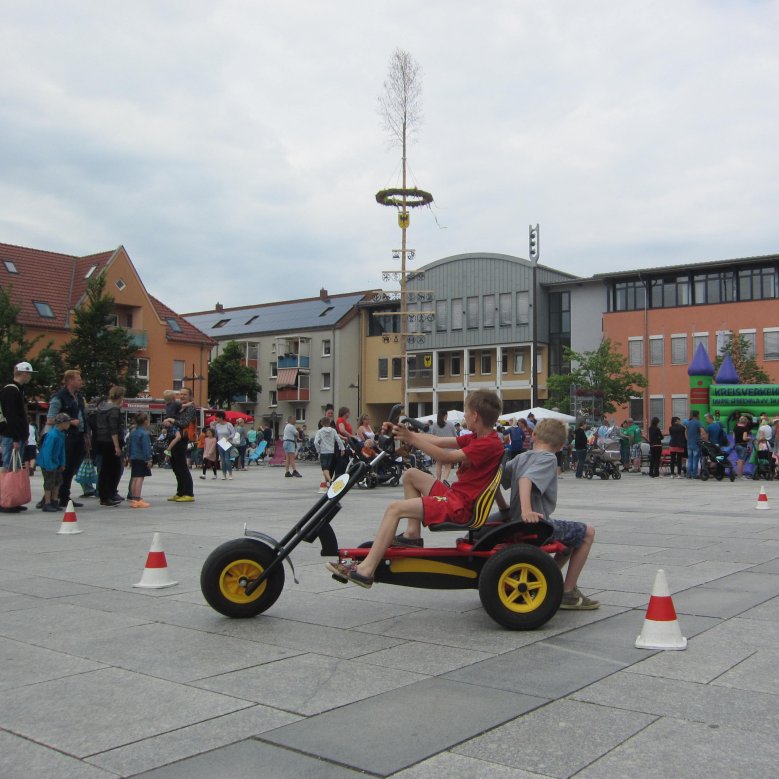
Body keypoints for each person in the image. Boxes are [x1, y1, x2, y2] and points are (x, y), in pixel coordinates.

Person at [326, 390, 504, 588]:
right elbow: (436, 441)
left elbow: (445, 457)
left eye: (465, 412)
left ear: (475, 416)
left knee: (395, 509)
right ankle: (412, 534)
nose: (464, 416)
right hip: (455, 497)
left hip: (459, 506)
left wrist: (411, 437)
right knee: (410, 475)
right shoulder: (478, 437)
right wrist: (402, 432)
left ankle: (366, 571)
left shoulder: (488, 444)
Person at [497, 418, 599, 609]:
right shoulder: (548, 458)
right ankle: (568, 592)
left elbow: (497, 479)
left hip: (515, 523)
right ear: (561, 446)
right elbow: (526, 479)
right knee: (587, 533)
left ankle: (543, 576)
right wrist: (527, 511)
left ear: (533, 436)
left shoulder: (520, 458)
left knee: (569, 540)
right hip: (536, 525)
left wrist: (503, 507)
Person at [46, 369, 91, 508]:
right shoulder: (59, 397)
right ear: (70, 381)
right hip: (65, 437)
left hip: (78, 436)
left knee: (72, 468)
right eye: (78, 379)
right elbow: (50, 419)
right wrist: (70, 421)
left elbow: (83, 416)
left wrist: (86, 435)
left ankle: (65, 496)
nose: (81, 381)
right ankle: (52, 497)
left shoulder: (78, 397)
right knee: (63, 467)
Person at [0, 362, 35, 475]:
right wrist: (16, 438)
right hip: (11, 436)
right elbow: (12, 416)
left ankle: (9, 491)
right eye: (30, 374)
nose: (30, 376)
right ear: (24, 374)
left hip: (14, 436)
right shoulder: (12, 390)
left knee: (12, 466)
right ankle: (6, 491)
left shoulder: (17, 389)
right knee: (9, 466)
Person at [95, 385, 125, 507]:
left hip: (100, 440)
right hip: (110, 442)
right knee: (113, 469)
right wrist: (117, 446)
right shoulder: (114, 410)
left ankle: (104, 494)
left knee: (104, 470)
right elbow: (113, 429)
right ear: (120, 397)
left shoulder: (101, 407)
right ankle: (108, 495)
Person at [165, 386, 196, 502]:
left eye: (185, 394)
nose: (182, 396)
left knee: (182, 466)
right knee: (176, 467)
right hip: (173, 437)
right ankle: (180, 491)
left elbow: (184, 422)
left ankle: (189, 492)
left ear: (190, 396)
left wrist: (172, 421)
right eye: (181, 394)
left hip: (182, 439)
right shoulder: (179, 407)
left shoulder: (191, 408)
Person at [38, 412, 71, 512]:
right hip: (48, 463)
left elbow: (62, 451)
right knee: (49, 483)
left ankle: (54, 500)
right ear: (61, 423)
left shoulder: (61, 434)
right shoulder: (52, 435)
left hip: (55, 463)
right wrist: (49, 465)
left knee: (58, 482)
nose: (69, 424)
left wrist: (62, 463)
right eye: (67, 422)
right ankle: (47, 503)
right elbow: (47, 451)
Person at [126, 412, 152, 508]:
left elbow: (129, 445)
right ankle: (137, 498)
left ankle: (133, 498)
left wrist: (128, 456)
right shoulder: (144, 434)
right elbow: (146, 448)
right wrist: (148, 459)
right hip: (141, 458)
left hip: (133, 457)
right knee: (140, 478)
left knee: (134, 477)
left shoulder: (133, 432)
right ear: (145, 421)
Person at [314, 416, 344, 492]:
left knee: (324, 468)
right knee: (327, 468)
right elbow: (338, 439)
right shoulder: (333, 431)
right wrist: (342, 449)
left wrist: (318, 450)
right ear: (330, 423)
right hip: (331, 451)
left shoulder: (319, 431)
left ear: (321, 423)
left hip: (323, 451)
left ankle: (330, 481)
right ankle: (327, 483)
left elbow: (315, 442)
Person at [431, 409, 457, 481]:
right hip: (449, 450)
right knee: (448, 466)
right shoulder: (450, 424)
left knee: (438, 466)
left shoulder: (434, 425)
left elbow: (432, 436)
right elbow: (455, 436)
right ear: (445, 415)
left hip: (438, 449)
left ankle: (438, 480)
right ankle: (445, 479)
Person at [211, 410, 236, 480]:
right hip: (220, 443)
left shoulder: (228, 424)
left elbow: (233, 433)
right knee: (222, 459)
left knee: (226, 459)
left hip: (227, 442)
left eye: (217, 417)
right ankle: (224, 474)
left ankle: (230, 473)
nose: (216, 419)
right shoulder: (217, 425)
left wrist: (229, 437)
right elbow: (215, 434)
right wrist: (213, 425)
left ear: (221, 417)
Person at [684, 410, 703, 479]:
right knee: (695, 460)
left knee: (690, 460)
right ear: (697, 415)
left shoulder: (688, 423)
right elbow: (702, 432)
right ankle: (694, 475)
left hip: (689, 444)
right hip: (696, 444)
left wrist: (687, 439)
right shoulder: (698, 423)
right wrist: (702, 437)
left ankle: (689, 474)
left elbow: (685, 432)